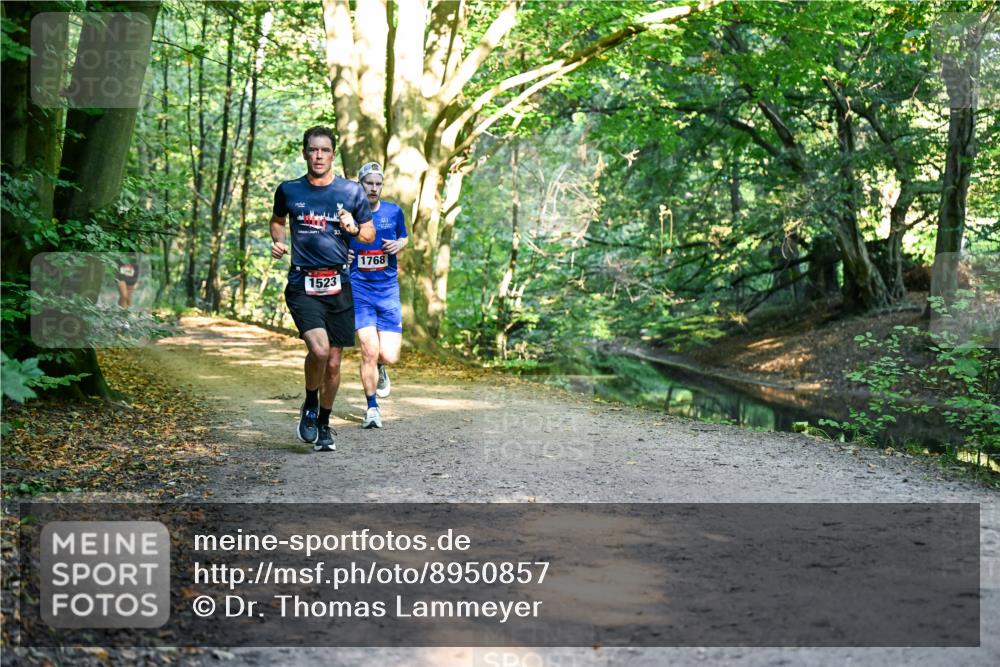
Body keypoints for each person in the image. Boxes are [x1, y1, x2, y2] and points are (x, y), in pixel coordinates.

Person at [270, 126, 374, 452]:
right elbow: (277, 220)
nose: (318, 156)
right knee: (319, 350)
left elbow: (369, 233)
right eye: (313, 150)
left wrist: (353, 228)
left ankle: (324, 423)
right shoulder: (289, 190)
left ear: (332, 154)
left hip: (339, 284)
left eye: (325, 150)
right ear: (304, 153)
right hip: (303, 283)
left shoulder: (352, 192)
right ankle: (310, 403)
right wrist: (279, 241)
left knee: (333, 363)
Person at [349, 162, 408, 429]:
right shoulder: (348, 215)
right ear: (360, 184)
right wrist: (343, 254)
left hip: (387, 290)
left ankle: (381, 367)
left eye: (377, 184)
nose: (373, 188)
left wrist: (399, 244)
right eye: (368, 183)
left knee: (389, 355)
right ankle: (372, 407)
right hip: (360, 290)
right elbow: (336, 242)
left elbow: (404, 237)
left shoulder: (394, 212)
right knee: (369, 350)